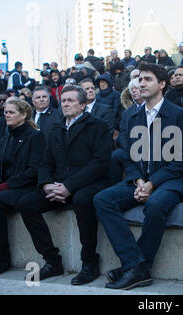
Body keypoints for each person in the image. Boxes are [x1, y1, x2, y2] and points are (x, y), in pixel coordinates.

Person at [94, 63, 183, 291]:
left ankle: (136, 268)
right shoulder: (131, 115)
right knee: (102, 199)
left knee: (156, 204)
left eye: (148, 79)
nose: (141, 83)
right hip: (140, 180)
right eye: (140, 79)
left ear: (162, 84)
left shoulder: (179, 114)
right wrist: (139, 181)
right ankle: (135, 263)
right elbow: (127, 155)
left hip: (172, 180)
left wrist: (152, 183)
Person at [18, 85, 112, 285]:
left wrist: (68, 186)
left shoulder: (98, 125)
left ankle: (89, 263)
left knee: (82, 200)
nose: (66, 104)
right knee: (26, 203)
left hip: (90, 183)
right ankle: (52, 261)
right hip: (59, 185)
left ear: (83, 104)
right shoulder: (56, 128)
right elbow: (45, 163)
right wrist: (46, 185)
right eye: (63, 101)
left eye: (71, 100)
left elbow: (100, 163)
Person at [0, 99, 44, 277]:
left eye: (11, 112)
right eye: (5, 112)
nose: (7, 115)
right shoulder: (6, 137)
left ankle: (1, 259)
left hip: (26, 186)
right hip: (7, 185)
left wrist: (6, 185)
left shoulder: (35, 136)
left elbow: (34, 170)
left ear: (24, 115)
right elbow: (0, 167)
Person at [112, 78, 145, 185]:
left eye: (136, 88)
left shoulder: (151, 108)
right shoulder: (128, 112)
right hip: (130, 148)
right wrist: (129, 149)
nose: (133, 91)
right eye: (131, 89)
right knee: (116, 155)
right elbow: (122, 134)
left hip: (146, 148)